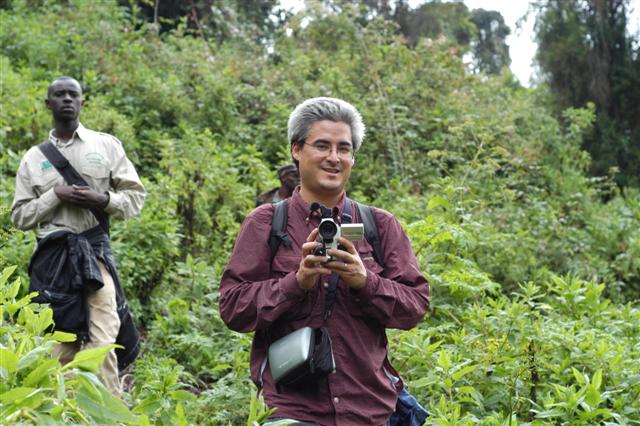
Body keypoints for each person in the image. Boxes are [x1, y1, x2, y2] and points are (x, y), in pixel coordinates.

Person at [219, 97, 430, 425]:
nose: (334, 158)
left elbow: (415, 305)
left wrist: (364, 281)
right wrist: (296, 283)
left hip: (370, 408)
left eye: (344, 149)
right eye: (322, 145)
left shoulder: (380, 225)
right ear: (296, 150)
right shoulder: (266, 223)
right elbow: (233, 308)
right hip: (292, 408)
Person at [11, 76, 145, 397]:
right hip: (53, 261)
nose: (67, 99)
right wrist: (54, 195)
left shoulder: (106, 145)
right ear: (49, 104)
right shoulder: (33, 159)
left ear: (83, 102)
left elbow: (135, 197)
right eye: (60, 94)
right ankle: (64, 412)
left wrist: (104, 200)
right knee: (59, 346)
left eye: (74, 94)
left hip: (94, 254)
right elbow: (19, 216)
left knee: (103, 338)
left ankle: (112, 415)